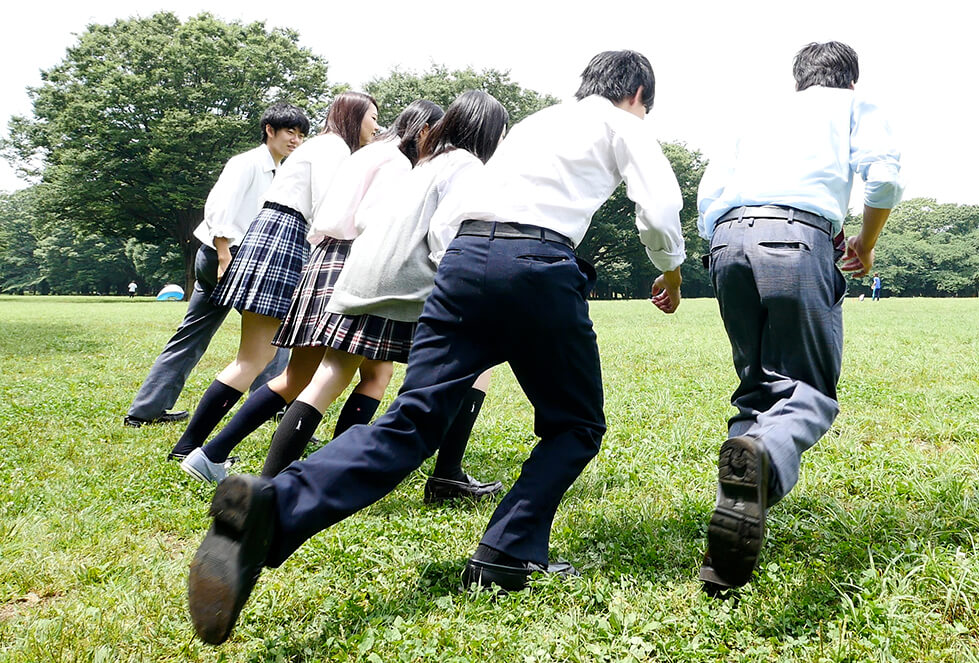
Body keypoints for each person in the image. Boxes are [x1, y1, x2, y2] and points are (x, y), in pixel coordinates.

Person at [186, 50, 685, 646]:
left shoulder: (535, 125)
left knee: (413, 421)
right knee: (575, 425)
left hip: (464, 261)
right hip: (538, 263)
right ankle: (507, 551)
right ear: (637, 94)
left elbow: (454, 217)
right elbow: (660, 208)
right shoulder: (622, 122)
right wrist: (671, 270)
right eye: (647, 106)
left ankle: (275, 506)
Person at [182, 99, 496, 499]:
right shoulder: (396, 163)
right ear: (423, 130)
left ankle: (217, 455)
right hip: (354, 259)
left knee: (307, 375)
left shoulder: (366, 153)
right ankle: (332, 468)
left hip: (324, 255)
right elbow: (370, 219)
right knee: (359, 375)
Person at [695, 41, 903, 592]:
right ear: (850, 81)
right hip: (795, 237)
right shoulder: (853, 104)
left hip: (726, 242)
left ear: (799, 81)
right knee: (808, 390)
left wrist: (726, 242)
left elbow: (708, 194)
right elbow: (884, 178)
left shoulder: (757, 114)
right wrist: (865, 242)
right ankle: (764, 460)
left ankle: (724, 559)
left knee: (756, 389)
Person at [169, 92, 379, 462]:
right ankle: (190, 448)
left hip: (278, 233)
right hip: (286, 235)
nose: (377, 126)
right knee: (253, 359)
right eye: (373, 117)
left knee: (255, 358)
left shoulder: (323, 146)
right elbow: (329, 211)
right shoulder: (333, 147)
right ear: (353, 115)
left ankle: (190, 447)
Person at [123, 103, 308, 430]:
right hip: (227, 256)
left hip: (228, 258)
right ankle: (272, 406)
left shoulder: (281, 171)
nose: (296, 140)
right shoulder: (247, 163)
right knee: (272, 332)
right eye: (290, 132)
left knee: (192, 334)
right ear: (269, 130)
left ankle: (146, 410)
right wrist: (224, 255)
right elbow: (219, 207)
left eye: (301, 135)